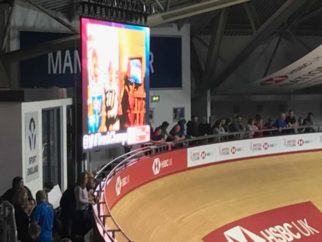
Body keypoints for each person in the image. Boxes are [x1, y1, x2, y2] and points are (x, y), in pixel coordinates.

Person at [72, 172, 92, 241]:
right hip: (80, 212)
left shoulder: (84, 187)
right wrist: (89, 201)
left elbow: (85, 198)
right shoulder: (78, 188)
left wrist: (89, 198)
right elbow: (79, 200)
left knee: (86, 227)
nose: (87, 179)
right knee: (83, 228)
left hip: (85, 210)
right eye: (86, 178)